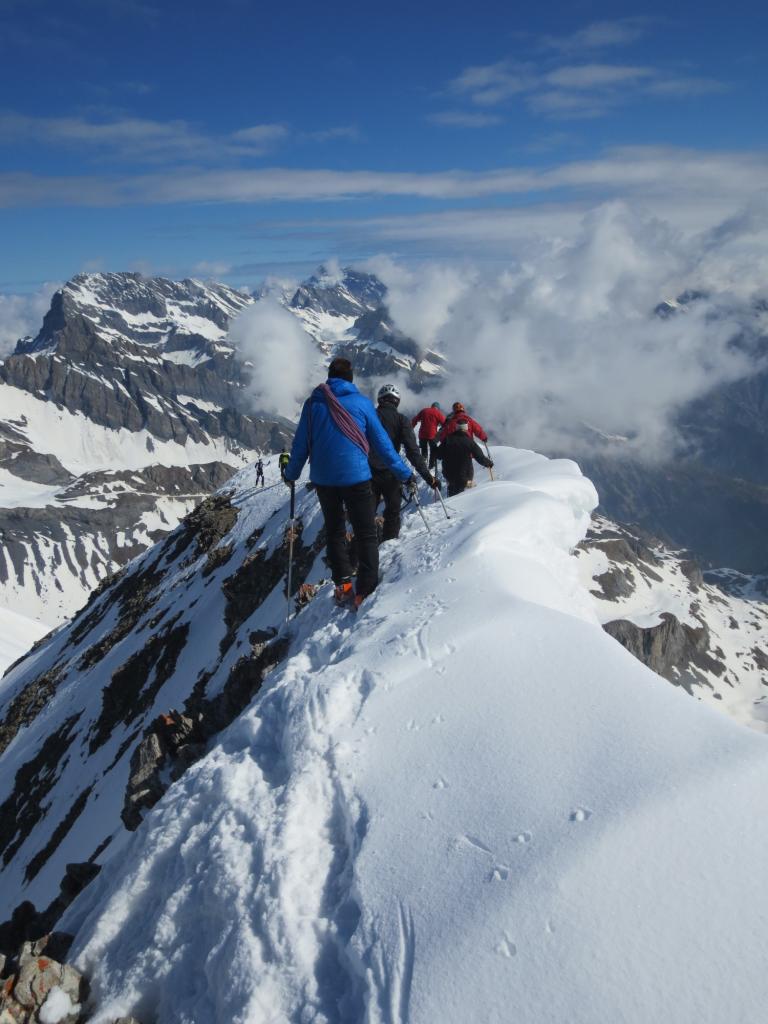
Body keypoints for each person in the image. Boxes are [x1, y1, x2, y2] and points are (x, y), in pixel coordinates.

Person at [283, 357, 413, 608]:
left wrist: (291, 474)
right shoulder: (362, 404)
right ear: (351, 380)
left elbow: (300, 445)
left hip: (324, 480)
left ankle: (342, 585)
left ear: (329, 377)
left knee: (335, 530)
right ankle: (365, 588)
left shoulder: (312, 404)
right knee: (365, 532)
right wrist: (403, 473)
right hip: (356, 478)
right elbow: (383, 446)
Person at [371, 384, 440, 542]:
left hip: (367, 472)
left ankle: (359, 555)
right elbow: (413, 452)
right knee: (393, 511)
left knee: (365, 515)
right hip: (391, 472)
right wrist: (429, 478)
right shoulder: (402, 420)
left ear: (380, 400)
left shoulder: (370, 416)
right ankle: (389, 544)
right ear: (397, 402)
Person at [436, 417, 493, 497]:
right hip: (465, 476)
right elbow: (479, 457)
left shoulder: (447, 439)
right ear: (466, 428)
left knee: (452, 495)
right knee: (464, 497)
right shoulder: (469, 441)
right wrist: (488, 463)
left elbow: (438, 455)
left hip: (450, 474)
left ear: (456, 427)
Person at [411, 401, 446, 469]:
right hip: (432, 435)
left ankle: (424, 462)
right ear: (437, 408)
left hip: (422, 435)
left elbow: (415, 420)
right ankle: (431, 466)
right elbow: (445, 424)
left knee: (424, 450)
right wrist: (442, 431)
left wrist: (411, 428)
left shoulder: (424, 410)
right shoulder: (438, 413)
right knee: (433, 451)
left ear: (431, 406)